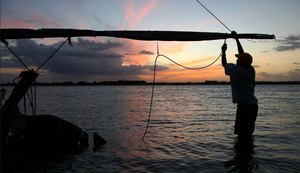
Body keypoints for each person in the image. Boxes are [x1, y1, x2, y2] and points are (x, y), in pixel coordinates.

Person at [221, 31, 258, 139]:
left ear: (240, 62)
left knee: (241, 134)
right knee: (248, 134)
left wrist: (223, 52)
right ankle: (248, 154)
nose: (236, 59)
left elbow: (224, 64)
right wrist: (236, 39)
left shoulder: (236, 70)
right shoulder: (251, 70)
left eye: (238, 59)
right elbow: (242, 54)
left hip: (244, 107)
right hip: (253, 107)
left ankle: (241, 154)